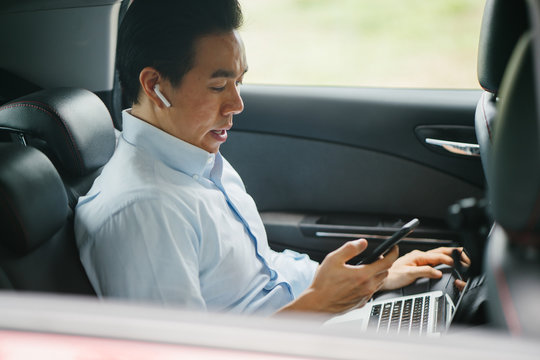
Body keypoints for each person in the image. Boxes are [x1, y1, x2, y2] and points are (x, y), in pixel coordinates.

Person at [75, 0, 467, 315]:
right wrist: (318, 306)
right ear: (155, 85)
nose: (237, 104)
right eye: (217, 86)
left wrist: (365, 281)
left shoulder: (197, 158)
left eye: (239, 82)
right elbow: (181, 352)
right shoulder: (143, 211)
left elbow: (263, 277)